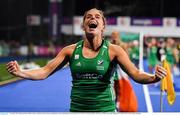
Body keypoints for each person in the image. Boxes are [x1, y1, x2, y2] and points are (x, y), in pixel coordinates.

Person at [6, 8, 167, 112]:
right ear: (84, 25)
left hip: (105, 110)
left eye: (97, 16)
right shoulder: (69, 50)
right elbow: (44, 71)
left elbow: (135, 73)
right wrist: (21, 72)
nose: (93, 18)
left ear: (102, 26)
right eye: (88, 17)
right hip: (78, 110)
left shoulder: (114, 50)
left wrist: (153, 78)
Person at [110, 31, 138, 112]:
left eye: (116, 35)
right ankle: (113, 101)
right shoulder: (109, 45)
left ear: (118, 36)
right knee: (111, 86)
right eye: (113, 35)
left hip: (120, 69)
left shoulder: (123, 45)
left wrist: (129, 68)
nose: (114, 36)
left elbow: (127, 57)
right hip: (111, 68)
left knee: (120, 86)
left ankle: (118, 102)